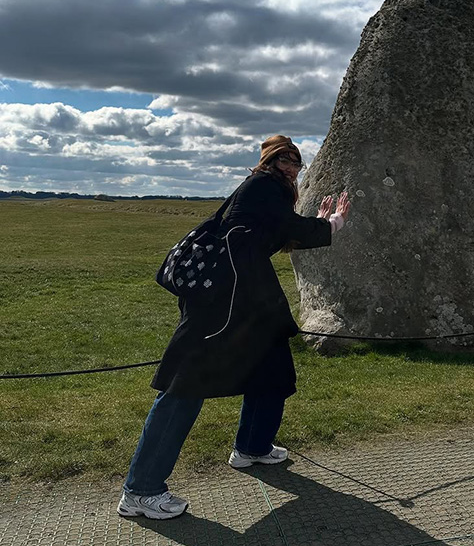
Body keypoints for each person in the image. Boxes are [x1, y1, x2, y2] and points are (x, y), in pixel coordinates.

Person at [117, 134, 350, 520]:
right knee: (183, 390)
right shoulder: (262, 186)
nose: (291, 168)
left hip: (248, 301)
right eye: (283, 161)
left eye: (296, 162)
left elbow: (280, 233)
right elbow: (292, 227)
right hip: (219, 303)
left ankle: (253, 448)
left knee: (273, 367)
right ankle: (140, 491)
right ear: (268, 163)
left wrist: (321, 224)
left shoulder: (269, 192)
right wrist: (333, 224)